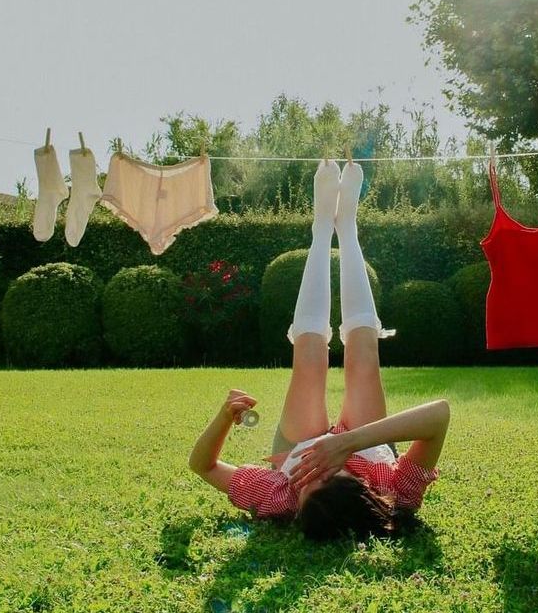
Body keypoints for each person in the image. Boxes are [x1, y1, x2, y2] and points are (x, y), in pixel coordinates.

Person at [188, 159, 450, 541]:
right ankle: (348, 228)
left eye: (305, 483)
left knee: (309, 360)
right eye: (326, 474)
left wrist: (225, 417)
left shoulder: (280, 496)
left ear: (296, 503)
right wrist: (348, 442)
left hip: (296, 441)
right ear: (362, 487)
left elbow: (202, 466)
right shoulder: (396, 492)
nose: (313, 469)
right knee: (364, 356)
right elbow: (439, 415)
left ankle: (322, 228)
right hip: (367, 447)